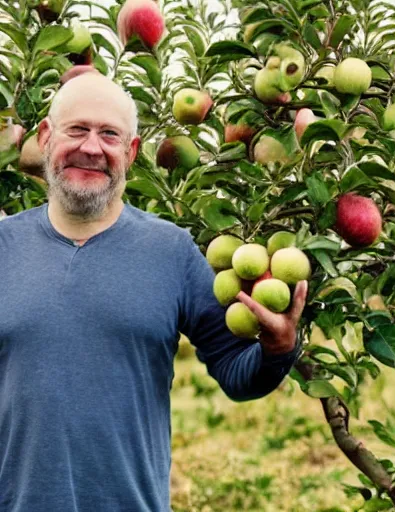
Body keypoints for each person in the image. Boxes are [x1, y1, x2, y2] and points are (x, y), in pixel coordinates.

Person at [0, 72, 307, 512]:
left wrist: (278, 348)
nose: (91, 147)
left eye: (109, 134)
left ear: (131, 152)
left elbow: (236, 372)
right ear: (46, 137)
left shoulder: (170, 250)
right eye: (77, 129)